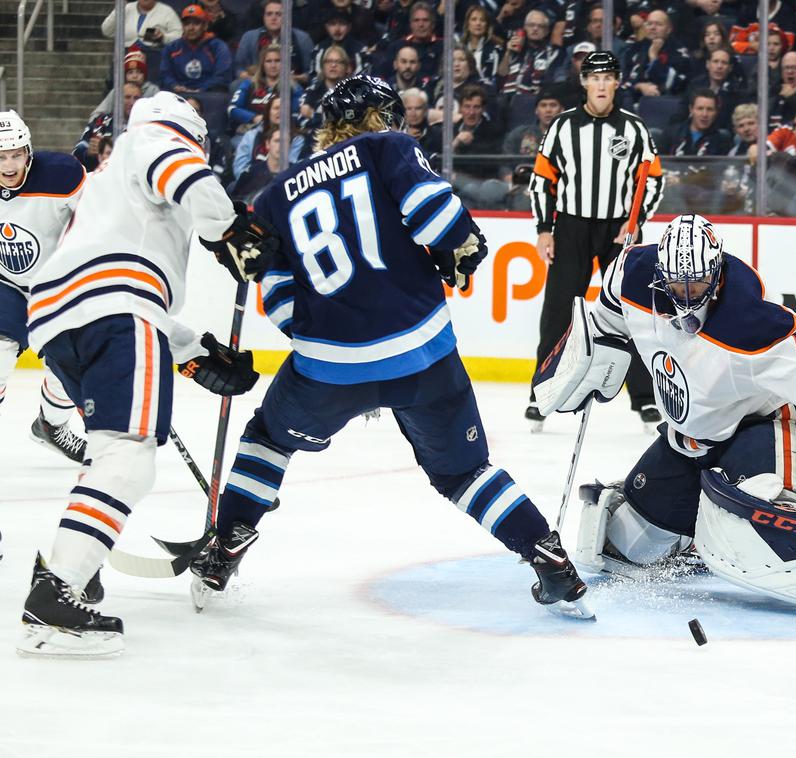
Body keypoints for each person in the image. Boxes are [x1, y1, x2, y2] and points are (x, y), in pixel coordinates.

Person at [189, 75, 592, 622]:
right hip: (422, 353)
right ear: (384, 116)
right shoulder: (389, 148)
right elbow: (437, 217)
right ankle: (545, 554)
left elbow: (280, 302)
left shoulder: (275, 194)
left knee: (268, 439)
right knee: (464, 472)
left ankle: (226, 544)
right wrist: (462, 244)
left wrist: (331, 336)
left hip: (328, 367)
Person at [532, 214, 796, 625]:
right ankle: (698, 531)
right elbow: (606, 318)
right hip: (689, 439)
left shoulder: (749, 323)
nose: (687, 297)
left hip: (764, 426)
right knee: (621, 547)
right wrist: (591, 360)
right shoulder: (631, 274)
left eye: (697, 285)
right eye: (677, 284)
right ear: (660, 273)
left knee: (763, 527)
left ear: (716, 273)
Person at [17, 93, 270, 657]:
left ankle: (70, 567)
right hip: (115, 311)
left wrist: (194, 353)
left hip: (61, 320)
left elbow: (121, 277)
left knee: (113, 454)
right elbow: (179, 174)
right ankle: (58, 590)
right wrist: (230, 230)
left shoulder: (113, 181)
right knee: (128, 457)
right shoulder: (154, 138)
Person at [527, 51, 663, 431]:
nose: (601, 84)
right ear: (584, 83)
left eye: (608, 77)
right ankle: (543, 393)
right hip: (571, 227)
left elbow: (652, 178)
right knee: (558, 312)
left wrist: (636, 222)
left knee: (633, 311)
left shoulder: (635, 128)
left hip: (619, 230)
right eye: (594, 77)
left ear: (617, 83)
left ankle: (645, 397)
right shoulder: (562, 127)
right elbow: (542, 179)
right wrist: (544, 228)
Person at [0, 111, 89, 464]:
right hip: (6, 286)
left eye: (16, 155)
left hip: (57, 287)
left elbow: (97, 218)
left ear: (28, 152)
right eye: (1, 156)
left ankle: (51, 426)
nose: (9, 165)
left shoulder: (62, 176)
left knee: (70, 363)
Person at [233, 0, 314, 82]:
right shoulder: (249, 37)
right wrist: (252, 78)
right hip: (256, 84)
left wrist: (295, 78)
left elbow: (310, 73)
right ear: (263, 17)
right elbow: (239, 68)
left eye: (279, 14)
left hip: (292, 85)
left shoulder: (302, 38)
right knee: (235, 85)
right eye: (269, 14)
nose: (273, 18)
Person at [160, 4, 233, 95]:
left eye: (196, 23)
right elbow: (165, 75)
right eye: (187, 24)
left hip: (209, 95)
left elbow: (222, 76)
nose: (191, 28)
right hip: (179, 95)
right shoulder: (171, 48)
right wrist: (174, 86)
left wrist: (202, 89)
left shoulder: (218, 47)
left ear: (205, 25)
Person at [498, 8, 565, 95]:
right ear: (524, 27)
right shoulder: (515, 47)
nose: (535, 29)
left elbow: (550, 81)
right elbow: (502, 74)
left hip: (533, 98)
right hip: (506, 96)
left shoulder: (553, 52)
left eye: (540, 26)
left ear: (547, 31)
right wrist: (508, 52)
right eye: (531, 25)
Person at [89, 49, 161, 122]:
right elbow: (97, 114)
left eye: (139, 72)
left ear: (144, 75)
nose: (134, 76)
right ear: (125, 75)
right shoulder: (117, 91)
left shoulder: (154, 91)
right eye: (130, 72)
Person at [101, 0, 182, 50]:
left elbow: (180, 36)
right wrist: (118, 9)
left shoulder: (167, 11)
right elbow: (106, 31)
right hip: (126, 56)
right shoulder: (127, 8)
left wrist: (163, 37)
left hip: (153, 56)